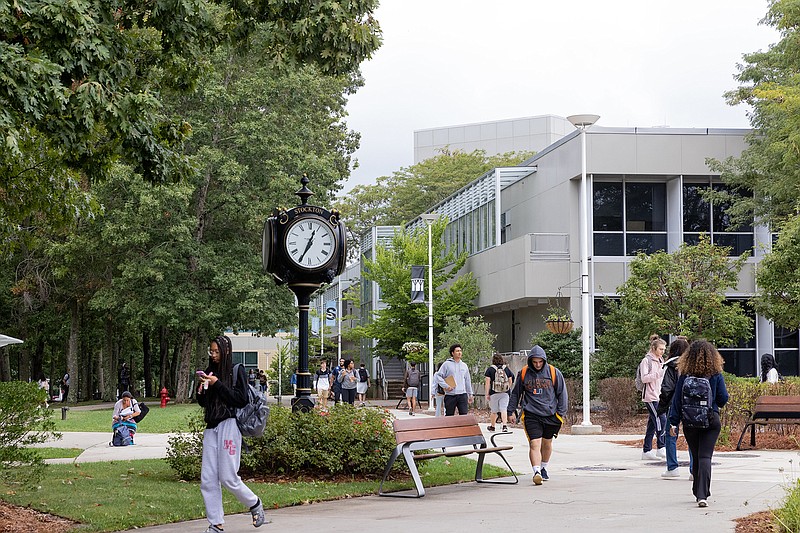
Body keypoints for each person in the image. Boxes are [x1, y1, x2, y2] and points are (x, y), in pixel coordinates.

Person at [197, 335, 266, 532]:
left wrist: (217, 383)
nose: (213, 355)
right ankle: (216, 524)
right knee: (208, 478)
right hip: (211, 427)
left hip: (229, 425)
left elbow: (240, 399)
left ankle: (254, 503)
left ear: (226, 351)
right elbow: (204, 403)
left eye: (217, 351)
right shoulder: (209, 371)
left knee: (228, 477)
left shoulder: (237, 370)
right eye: (211, 351)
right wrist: (202, 390)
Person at [668, 340, 729, 508]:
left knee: (696, 455)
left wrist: (673, 423)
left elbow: (677, 401)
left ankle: (697, 491)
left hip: (690, 421)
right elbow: (723, 398)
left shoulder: (684, 374)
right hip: (711, 419)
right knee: (705, 456)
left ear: (689, 356)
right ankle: (703, 494)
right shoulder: (716, 374)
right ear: (712, 356)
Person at [507, 345, 568, 486]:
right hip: (531, 414)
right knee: (535, 443)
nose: (538, 364)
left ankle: (544, 467)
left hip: (551, 414)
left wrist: (561, 413)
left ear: (544, 360)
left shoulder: (554, 372)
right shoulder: (523, 373)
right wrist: (510, 411)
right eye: (534, 362)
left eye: (540, 362)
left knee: (547, 443)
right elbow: (516, 393)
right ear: (530, 361)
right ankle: (536, 472)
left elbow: (562, 393)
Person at [657, 336, 691, 478]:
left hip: (674, 406)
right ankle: (694, 470)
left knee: (671, 436)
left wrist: (662, 407)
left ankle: (672, 468)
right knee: (692, 438)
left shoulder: (670, 365)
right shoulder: (692, 364)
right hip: (691, 407)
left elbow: (667, 389)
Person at [639, 334, 667, 460]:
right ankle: (661, 446)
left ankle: (647, 450)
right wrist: (658, 373)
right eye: (661, 349)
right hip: (650, 396)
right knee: (660, 420)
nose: (662, 352)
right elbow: (644, 378)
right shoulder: (646, 361)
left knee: (652, 423)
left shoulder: (661, 361)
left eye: (664, 349)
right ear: (654, 348)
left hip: (658, 395)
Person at [432, 344, 473, 416]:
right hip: (450, 395)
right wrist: (445, 386)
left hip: (462, 394)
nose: (459, 353)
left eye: (460, 351)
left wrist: (470, 394)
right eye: (457, 351)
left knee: (464, 415)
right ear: (452, 353)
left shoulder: (464, 365)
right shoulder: (446, 364)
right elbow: (438, 376)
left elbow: (467, 380)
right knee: (449, 416)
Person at [484, 353, 514, 432]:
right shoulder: (506, 368)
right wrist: (508, 387)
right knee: (503, 409)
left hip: (494, 393)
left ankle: (493, 426)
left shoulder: (490, 369)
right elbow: (511, 379)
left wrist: (487, 393)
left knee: (494, 411)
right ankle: (504, 426)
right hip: (505, 393)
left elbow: (487, 382)